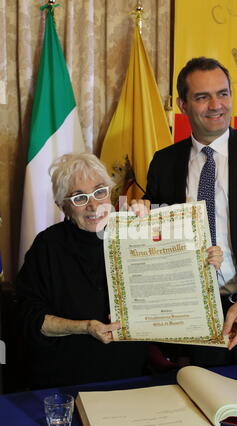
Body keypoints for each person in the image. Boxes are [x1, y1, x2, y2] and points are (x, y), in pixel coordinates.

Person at [143, 57, 237, 366]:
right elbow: (158, 238)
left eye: (223, 93)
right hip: (192, 320)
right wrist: (140, 221)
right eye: (202, 97)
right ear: (182, 104)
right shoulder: (164, 162)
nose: (217, 105)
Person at [16, 153, 148, 389]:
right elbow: (29, 318)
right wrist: (85, 327)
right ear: (62, 205)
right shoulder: (47, 246)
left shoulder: (134, 233)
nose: (94, 205)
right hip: (66, 380)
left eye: (100, 192)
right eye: (79, 197)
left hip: (133, 375)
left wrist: (204, 259)